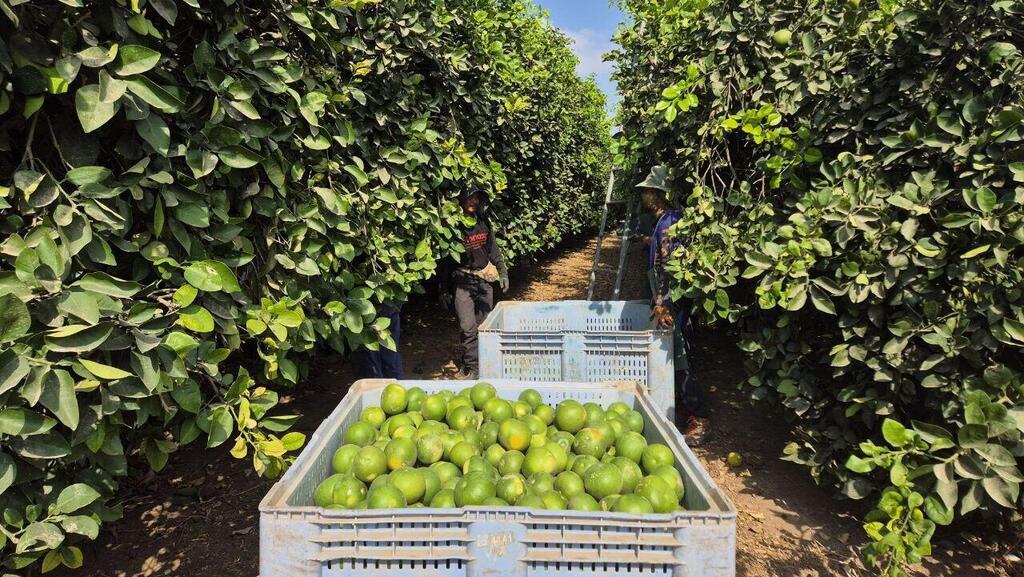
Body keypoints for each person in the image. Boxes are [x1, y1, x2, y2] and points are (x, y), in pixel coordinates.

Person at [637, 165, 710, 444]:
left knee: (679, 358)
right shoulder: (667, 220)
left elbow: (668, 266)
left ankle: (700, 418)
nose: (643, 196)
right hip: (675, 299)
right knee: (677, 354)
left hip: (672, 300)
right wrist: (648, 241)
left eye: (646, 191)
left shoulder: (668, 223)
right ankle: (690, 410)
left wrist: (663, 302)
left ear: (657, 194)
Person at [439, 187, 509, 380]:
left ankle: (484, 364)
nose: (474, 201)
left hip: (484, 280)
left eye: (477, 198)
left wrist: (503, 272)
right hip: (462, 281)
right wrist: (443, 289)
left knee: (485, 327)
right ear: (461, 199)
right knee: (467, 327)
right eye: (470, 197)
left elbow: (493, 249)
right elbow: (446, 260)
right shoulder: (454, 227)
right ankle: (473, 368)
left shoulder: (483, 222)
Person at [350, 305, 403, 380]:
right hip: (388, 303)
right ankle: (395, 385)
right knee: (390, 355)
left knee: (368, 364)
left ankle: (375, 388)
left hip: (364, 308)